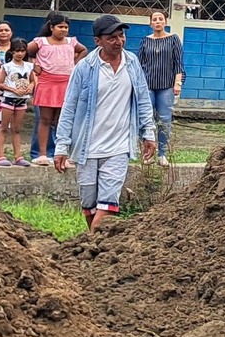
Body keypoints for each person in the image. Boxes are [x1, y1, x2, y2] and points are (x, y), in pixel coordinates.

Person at [53, 15, 156, 231]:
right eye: (112, 38)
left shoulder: (132, 63)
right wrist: (62, 146)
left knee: (108, 203)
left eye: (121, 36)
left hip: (118, 146)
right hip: (87, 148)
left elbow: (143, 99)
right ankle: (94, 243)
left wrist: (148, 133)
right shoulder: (85, 68)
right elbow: (69, 107)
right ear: (98, 41)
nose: (119, 41)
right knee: (89, 204)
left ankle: (91, 242)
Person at [28, 15, 86, 166]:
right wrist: (34, 65)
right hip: (46, 83)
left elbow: (83, 50)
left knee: (62, 120)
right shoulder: (41, 42)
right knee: (45, 119)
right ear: (51, 27)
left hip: (66, 83)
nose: (63, 30)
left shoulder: (72, 42)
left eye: (66, 27)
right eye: (60, 27)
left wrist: (74, 63)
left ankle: (61, 154)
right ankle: (42, 154)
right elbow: (24, 51)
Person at [138, 10, 183, 168]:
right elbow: (139, 64)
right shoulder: (145, 41)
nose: (157, 22)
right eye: (154, 19)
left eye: (160, 19)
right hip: (147, 85)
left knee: (164, 120)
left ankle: (162, 154)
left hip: (166, 86)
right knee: (146, 118)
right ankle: (146, 153)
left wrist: (178, 83)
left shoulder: (173, 39)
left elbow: (178, 62)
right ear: (150, 23)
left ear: (165, 22)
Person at [0, 37, 35, 167]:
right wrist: (13, 90)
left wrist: (30, 87)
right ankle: (0, 155)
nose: (20, 54)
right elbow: (0, 83)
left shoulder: (29, 66)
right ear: (12, 52)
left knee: (16, 129)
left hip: (22, 101)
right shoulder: (7, 67)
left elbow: (32, 80)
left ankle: (18, 156)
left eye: (22, 51)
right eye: (17, 51)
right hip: (9, 99)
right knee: (3, 127)